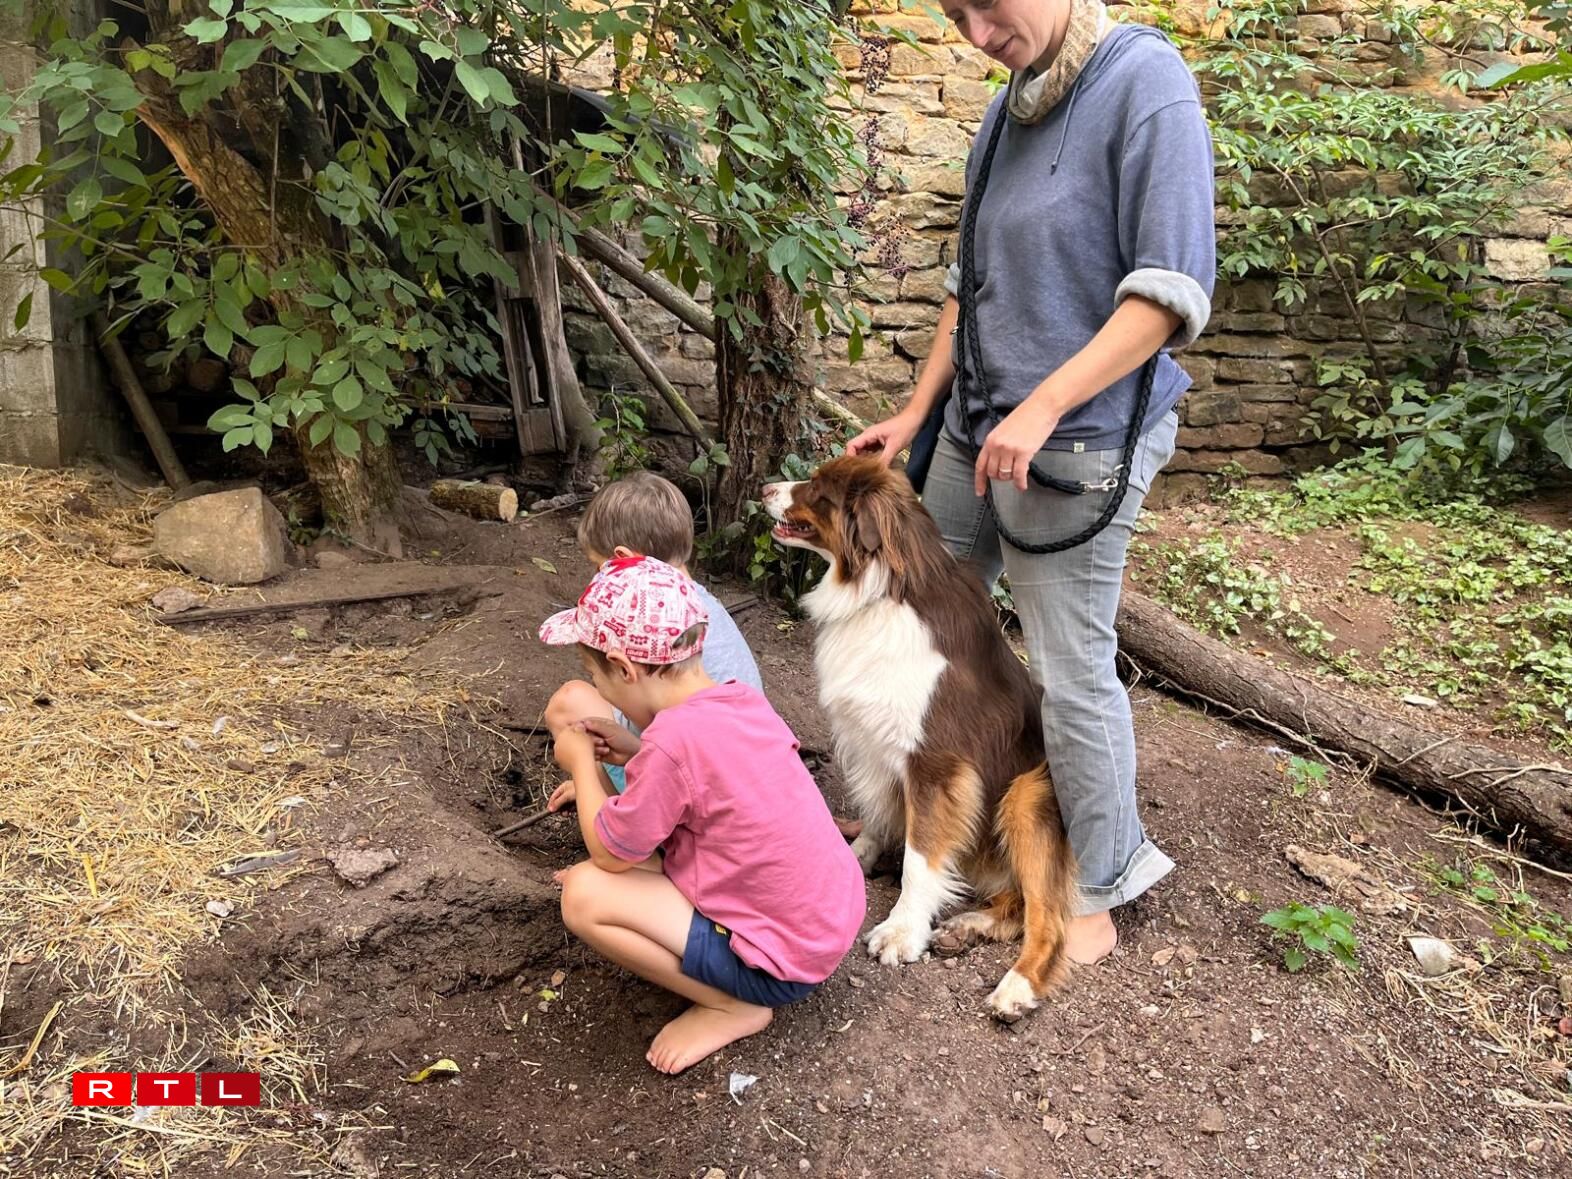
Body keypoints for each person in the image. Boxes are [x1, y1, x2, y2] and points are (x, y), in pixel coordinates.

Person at [847, 0, 1216, 965]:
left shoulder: (1145, 84)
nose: (975, 33)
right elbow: (966, 285)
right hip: (974, 428)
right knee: (916, 619)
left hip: (1077, 437)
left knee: (1067, 662)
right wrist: (919, 410)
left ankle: (1095, 886)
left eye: (985, 3)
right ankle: (919, 823)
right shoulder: (1005, 110)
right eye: (953, 13)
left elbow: (1170, 291)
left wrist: (1046, 403)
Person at [540, 556, 865, 1074]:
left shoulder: (672, 744)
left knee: (584, 894)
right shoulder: (739, 701)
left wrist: (581, 763)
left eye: (596, 676)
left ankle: (731, 1006)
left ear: (624, 668)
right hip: (824, 925)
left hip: (779, 965)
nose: (599, 690)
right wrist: (637, 751)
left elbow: (609, 853)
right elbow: (705, 779)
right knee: (648, 852)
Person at [544, 471, 762, 806]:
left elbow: (670, 742)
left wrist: (587, 776)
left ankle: (615, 803)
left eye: (598, 566)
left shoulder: (647, 621)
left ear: (622, 559)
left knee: (568, 704)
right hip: (729, 771)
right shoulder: (697, 607)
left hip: (696, 793)